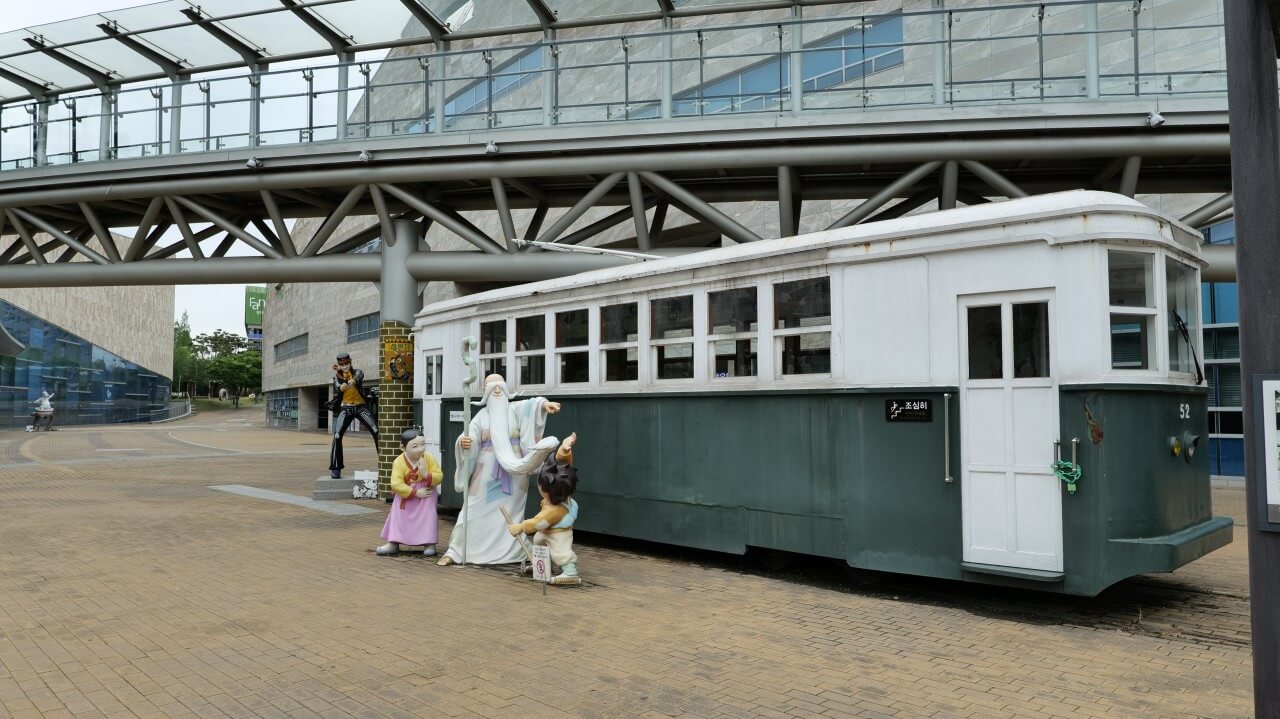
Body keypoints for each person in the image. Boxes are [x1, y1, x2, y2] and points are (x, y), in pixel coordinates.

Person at [437, 374, 562, 566]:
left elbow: (531, 405)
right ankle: (456, 551)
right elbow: (468, 436)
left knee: (512, 513)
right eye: (491, 385)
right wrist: (464, 442)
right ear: (484, 391)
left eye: (500, 385)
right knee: (471, 510)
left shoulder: (515, 409)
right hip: (485, 473)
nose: (496, 389)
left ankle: (513, 551)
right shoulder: (481, 416)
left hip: (514, 475)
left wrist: (544, 405)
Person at [509, 433, 581, 585]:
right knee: (539, 542)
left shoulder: (554, 510)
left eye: (541, 484)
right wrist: (564, 449)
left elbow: (538, 522)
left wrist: (521, 527)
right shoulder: (561, 488)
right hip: (547, 530)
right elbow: (561, 464)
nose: (539, 485)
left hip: (558, 533)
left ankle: (570, 572)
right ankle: (542, 565)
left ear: (550, 491)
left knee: (561, 552)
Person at [376, 429, 443, 557]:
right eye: (415, 446)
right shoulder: (399, 461)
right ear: (403, 447)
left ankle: (429, 543)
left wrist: (425, 474)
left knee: (428, 516)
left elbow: (439, 476)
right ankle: (393, 542)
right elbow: (395, 483)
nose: (420, 449)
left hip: (426, 494)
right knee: (398, 517)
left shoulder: (428, 458)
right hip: (406, 494)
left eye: (423, 444)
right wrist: (415, 492)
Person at [328, 352, 380, 479]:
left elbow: (358, 377)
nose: (345, 366)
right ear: (339, 365)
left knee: (376, 431)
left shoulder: (357, 372)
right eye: (342, 365)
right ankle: (336, 468)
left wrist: (352, 381)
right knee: (337, 435)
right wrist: (342, 385)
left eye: (347, 364)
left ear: (350, 363)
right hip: (346, 408)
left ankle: (385, 462)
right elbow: (338, 388)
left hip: (360, 407)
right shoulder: (337, 377)